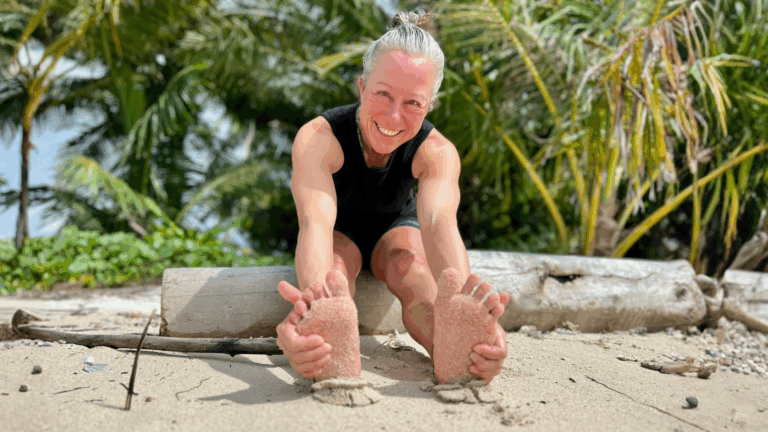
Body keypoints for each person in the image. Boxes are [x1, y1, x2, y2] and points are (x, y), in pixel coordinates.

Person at [275, 10, 510, 384]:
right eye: (383, 94)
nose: (393, 115)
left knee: (414, 274)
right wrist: (315, 307)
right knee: (335, 276)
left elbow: (437, 224)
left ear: (430, 104)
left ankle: (454, 344)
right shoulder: (319, 138)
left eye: (413, 103)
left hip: (397, 227)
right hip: (340, 228)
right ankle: (327, 337)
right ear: (362, 87)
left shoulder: (437, 151)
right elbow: (316, 223)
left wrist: (467, 311)